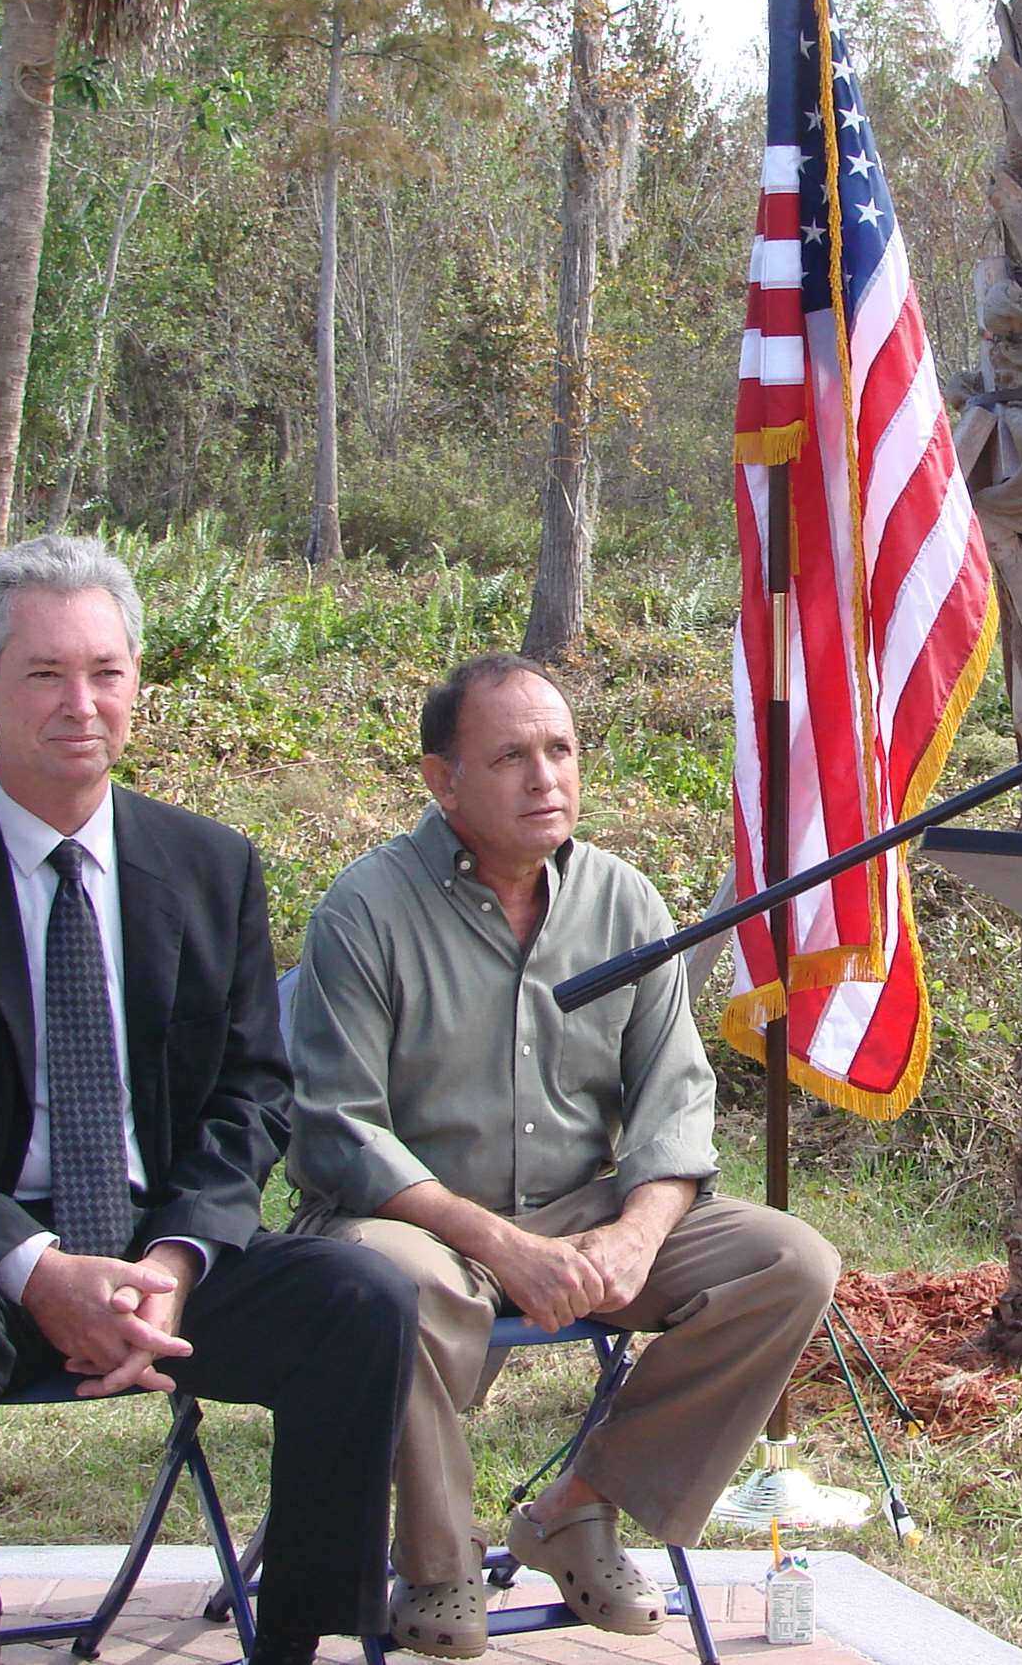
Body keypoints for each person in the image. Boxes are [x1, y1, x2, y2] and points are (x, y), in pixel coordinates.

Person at [0, 536, 416, 1665]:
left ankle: (302, 1639)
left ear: (136, 683)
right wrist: (36, 1268)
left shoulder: (211, 865)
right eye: (44, 674)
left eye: (106, 672)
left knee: (359, 1293)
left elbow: (251, 1095)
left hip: (149, 1258)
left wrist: (171, 1263)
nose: (82, 704)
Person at [286, 653, 839, 1655]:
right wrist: (497, 1245)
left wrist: (639, 1228)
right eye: (508, 757)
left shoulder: (622, 901)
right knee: (382, 1285)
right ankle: (440, 1568)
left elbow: (675, 1094)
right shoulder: (365, 909)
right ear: (440, 781)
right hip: (412, 1220)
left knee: (788, 1261)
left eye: (560, 750)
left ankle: (576, 1508)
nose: (545, 779)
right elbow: (337, 1124)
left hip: (579, 1215)